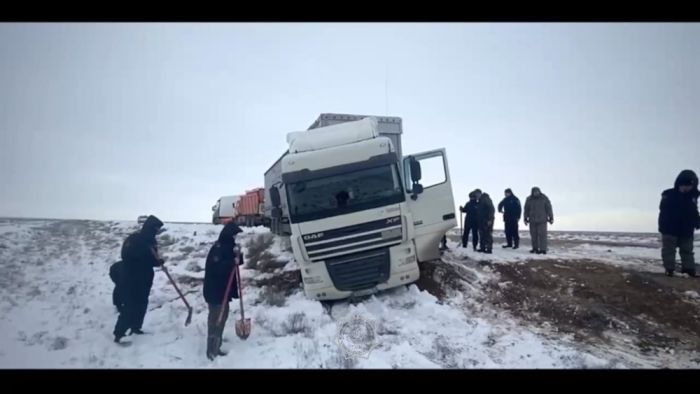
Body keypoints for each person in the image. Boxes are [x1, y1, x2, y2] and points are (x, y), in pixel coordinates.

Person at [113, 215, 164, 343]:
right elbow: (126, 255)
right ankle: (119, 333)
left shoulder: (151, 242)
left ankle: (136, 327)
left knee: (142, 304)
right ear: (150, 227)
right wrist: (146, 260)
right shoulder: (135, 240)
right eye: (156, 229)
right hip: (131, 277)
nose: (157, 231)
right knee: (131, 305)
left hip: (145, 278)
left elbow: (153, 260)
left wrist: (158, 262)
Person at [204, 222, 244, 360]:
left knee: (221, 317)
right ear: (229, 235)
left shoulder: (228, 247)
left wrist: (238, 255)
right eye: (234, 235)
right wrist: (232, 261)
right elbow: (218, 268)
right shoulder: (218, 248)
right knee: (216, 319)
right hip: (215, 291)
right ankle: (212, 350)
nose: (235, 237)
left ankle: (216, 345)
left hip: (221, 290)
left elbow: (237, 262)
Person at [658, 170, 700, 277]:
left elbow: (694, 212)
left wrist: (697, 222)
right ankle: (669, 269)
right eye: (683, 185)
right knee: (669, 250)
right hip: (669, 228)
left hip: (686, 229)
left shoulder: (693, 197)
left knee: (687, 250)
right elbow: (663, 211)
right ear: (678, 184)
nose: (686, 188)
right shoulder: (669, 194)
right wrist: (662, 227)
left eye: (689, 185)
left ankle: (689, 270)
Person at [523, 187, 553, 254]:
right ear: (532, 192)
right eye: (534, 192)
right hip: (532, 220)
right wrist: (525, 218)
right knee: (533, 235)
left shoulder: (544, 198)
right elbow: (526, 209)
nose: (536, 193)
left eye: (537, 191)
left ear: (539, 191)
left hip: (542, 220)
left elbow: (549, 208)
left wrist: (551, 217)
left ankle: (543, 249)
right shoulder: (529, 199)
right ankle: (535, 248)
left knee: (542, 235)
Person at [474, 189, 495, 254]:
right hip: (481, 220)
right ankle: (482, 248)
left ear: (479, 193)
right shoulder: (479, 201)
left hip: (487, 220)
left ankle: (489, 249)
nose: (476, 196)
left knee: (488, 234)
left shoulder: (486, 199)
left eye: (477, 194)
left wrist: (490, 219)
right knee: (482, 234)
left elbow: (491, 209)